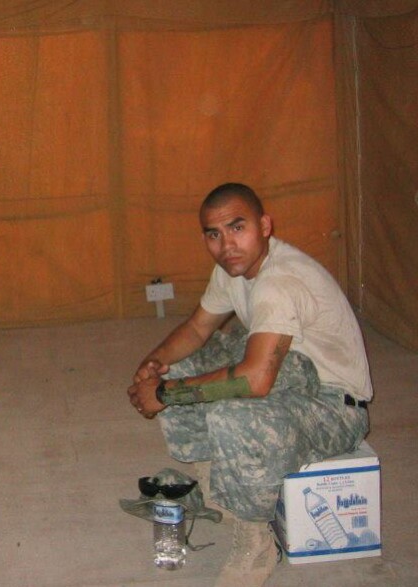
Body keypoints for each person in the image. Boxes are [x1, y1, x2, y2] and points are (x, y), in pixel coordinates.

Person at [127, 183, 371, 587]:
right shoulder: (234, 270)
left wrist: (165, 394)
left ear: (264, 226)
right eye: (214, 234)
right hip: (295, 371)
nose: (227, 245)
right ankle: (219, 488)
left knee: (231, 411)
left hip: (335, 405)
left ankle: (255, 538)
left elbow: (256, 380)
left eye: (237, 228)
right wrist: (153, 366)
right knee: (181, 369)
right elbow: (197, 327)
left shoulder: (280, 281)